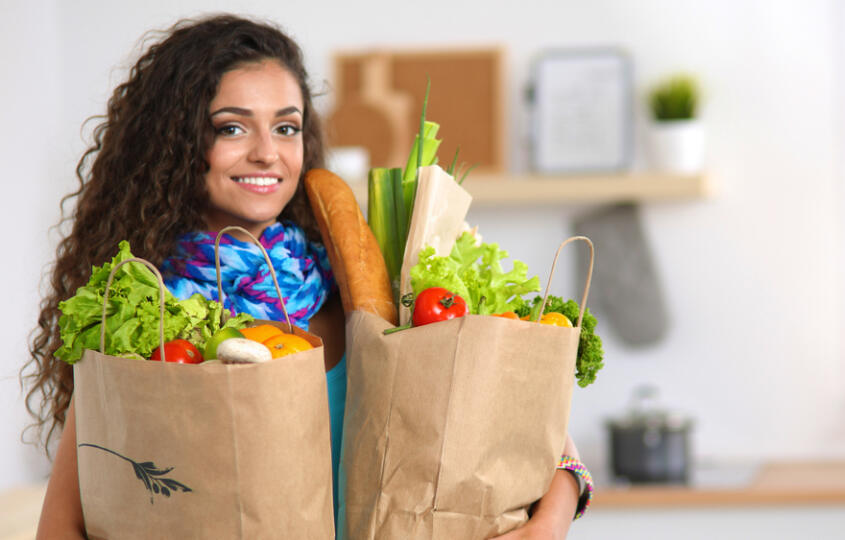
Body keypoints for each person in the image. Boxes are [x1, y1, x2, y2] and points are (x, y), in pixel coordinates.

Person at [24, 14, 588, 539]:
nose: (268, 153)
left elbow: (544, 443)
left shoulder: (370, 288)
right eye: (231, 128)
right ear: (172, 145)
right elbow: (63, 528)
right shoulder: (143, 319)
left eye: (286, 127)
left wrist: (551, 521)